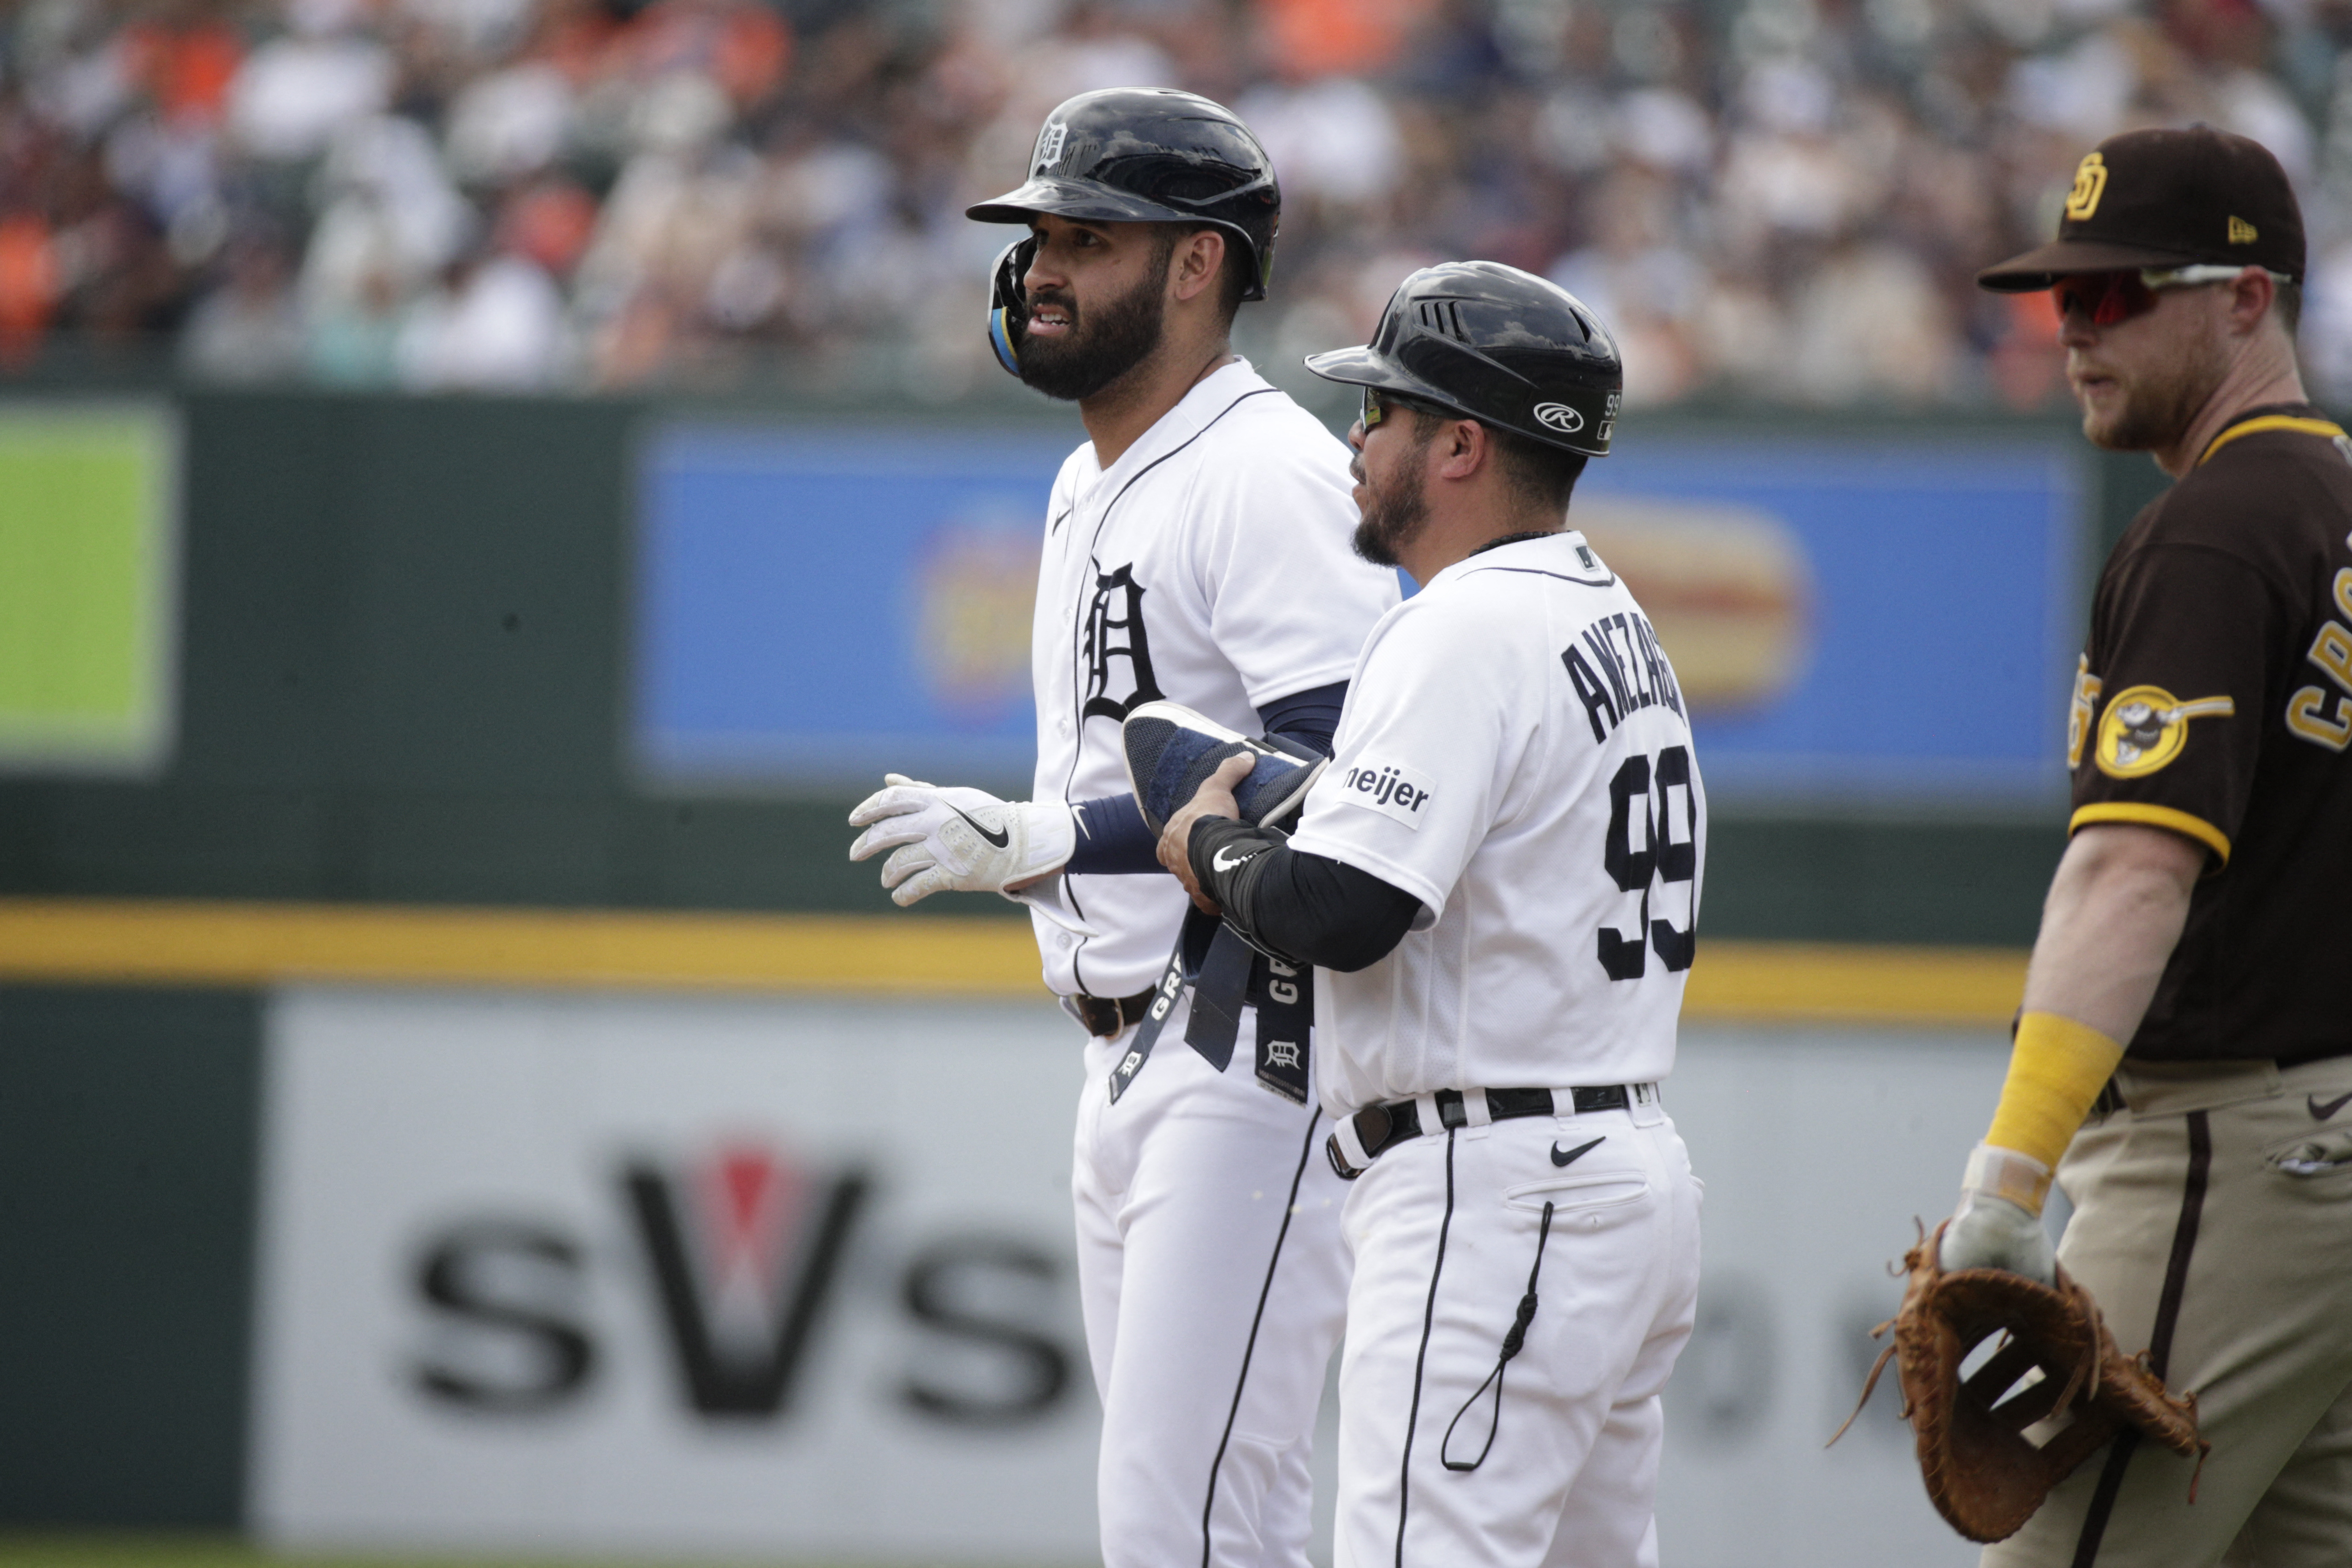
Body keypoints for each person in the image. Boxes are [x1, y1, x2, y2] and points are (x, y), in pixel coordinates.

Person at [846, 88, 1399, 1568]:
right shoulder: (1088, 472)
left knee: (1189, 1529)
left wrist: (1043, 836)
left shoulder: (1266, 473)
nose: (1041, 270)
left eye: (1089, 239)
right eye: (1037, 237)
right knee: (1207, 1525)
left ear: (1199, 265)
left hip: (1253, 1043)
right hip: (1136, 1049)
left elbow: (1342, 769)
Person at [1153, 260, 1705, 1568]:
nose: (1360, 438)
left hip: (1493, 1184)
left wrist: (1205, 843)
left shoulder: (1464, 624)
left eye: (1386, 413)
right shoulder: (1615, 622)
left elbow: (1341, 911)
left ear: (1460, 445)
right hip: (1620, 1178)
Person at [1949, 125, 2352, 1567]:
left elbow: (2132, 869)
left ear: (2246, 299)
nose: (2075, 330)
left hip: (2226, 1161)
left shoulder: (2215, 529)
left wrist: (2009, 1176)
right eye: (2065, 299)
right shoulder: (2331, 505)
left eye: (2121, 294)